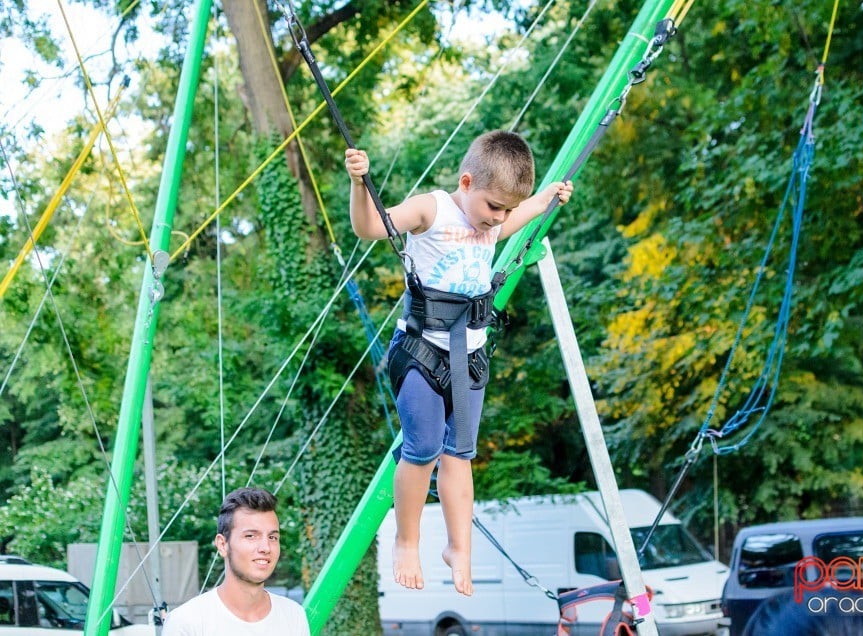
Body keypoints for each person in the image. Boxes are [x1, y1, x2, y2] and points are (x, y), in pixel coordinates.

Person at [345, 130, 574, 597]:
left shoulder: (492, 220)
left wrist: (551, 194)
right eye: (494, 207)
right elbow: (371, 227)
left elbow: (524, 213)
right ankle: (407, 541)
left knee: (460, 456)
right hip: (420, 352)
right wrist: (358, 183)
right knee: (423, 448)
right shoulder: (432, 208)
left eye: (507, 210)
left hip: (469, 357)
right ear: (467, 183)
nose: (500, 219)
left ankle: (459, 548)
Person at [161, 487, 309, 636]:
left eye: (272, 537)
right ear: (222, 545)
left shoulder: (294, 616)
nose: (266, 547)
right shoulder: (186, 623)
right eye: (251, 536)